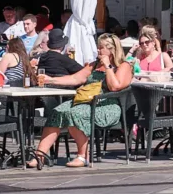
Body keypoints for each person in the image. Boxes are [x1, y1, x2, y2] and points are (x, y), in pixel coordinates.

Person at [32, 32, 128, 169]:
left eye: (101, 48)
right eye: (98, 47)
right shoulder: (94, 65)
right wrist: (50, 79)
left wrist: (108, 67)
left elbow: (114, 86)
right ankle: (39, 155)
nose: (98, 50)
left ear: (111, 50)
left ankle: (83, 156)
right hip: (86, 101)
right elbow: (75, 79)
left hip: (107, 106)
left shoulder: (123, 66)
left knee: (75, 113)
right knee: (58, 111)